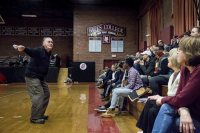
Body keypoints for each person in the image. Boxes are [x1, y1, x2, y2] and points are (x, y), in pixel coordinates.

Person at [149, 36, 200, 133]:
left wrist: (162, 99)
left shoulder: (198, 71)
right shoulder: (185, 69)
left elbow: (181, 99)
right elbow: (179, 97)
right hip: (191, 112)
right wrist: (183, 110)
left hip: (197, 117)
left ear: (189, 53)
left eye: (180, 50)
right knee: (170, 115)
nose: (177, 52)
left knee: (171, 119)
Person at [136, 48, 181, 133]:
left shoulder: (181, 75)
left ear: (174, 61)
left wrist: (161, 98)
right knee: (149, 101)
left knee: (153, 111)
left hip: (174, 104)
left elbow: (177, 97)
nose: (167, 59)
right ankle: (145, 130)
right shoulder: (172, 75)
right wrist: (160, 97)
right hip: (170, 101)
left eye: (169, 58)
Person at [14, 37, 53, 124]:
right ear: (43, 44)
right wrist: (24, 48)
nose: (51, 43)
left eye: (52, 42)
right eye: (48, 41)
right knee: (38, 94)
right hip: (32, 77)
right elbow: (31, 51)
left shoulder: (48, 53)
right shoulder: (39, 50)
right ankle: (35, 118)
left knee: (46, 94)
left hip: (40, 78)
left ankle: (40, 114)